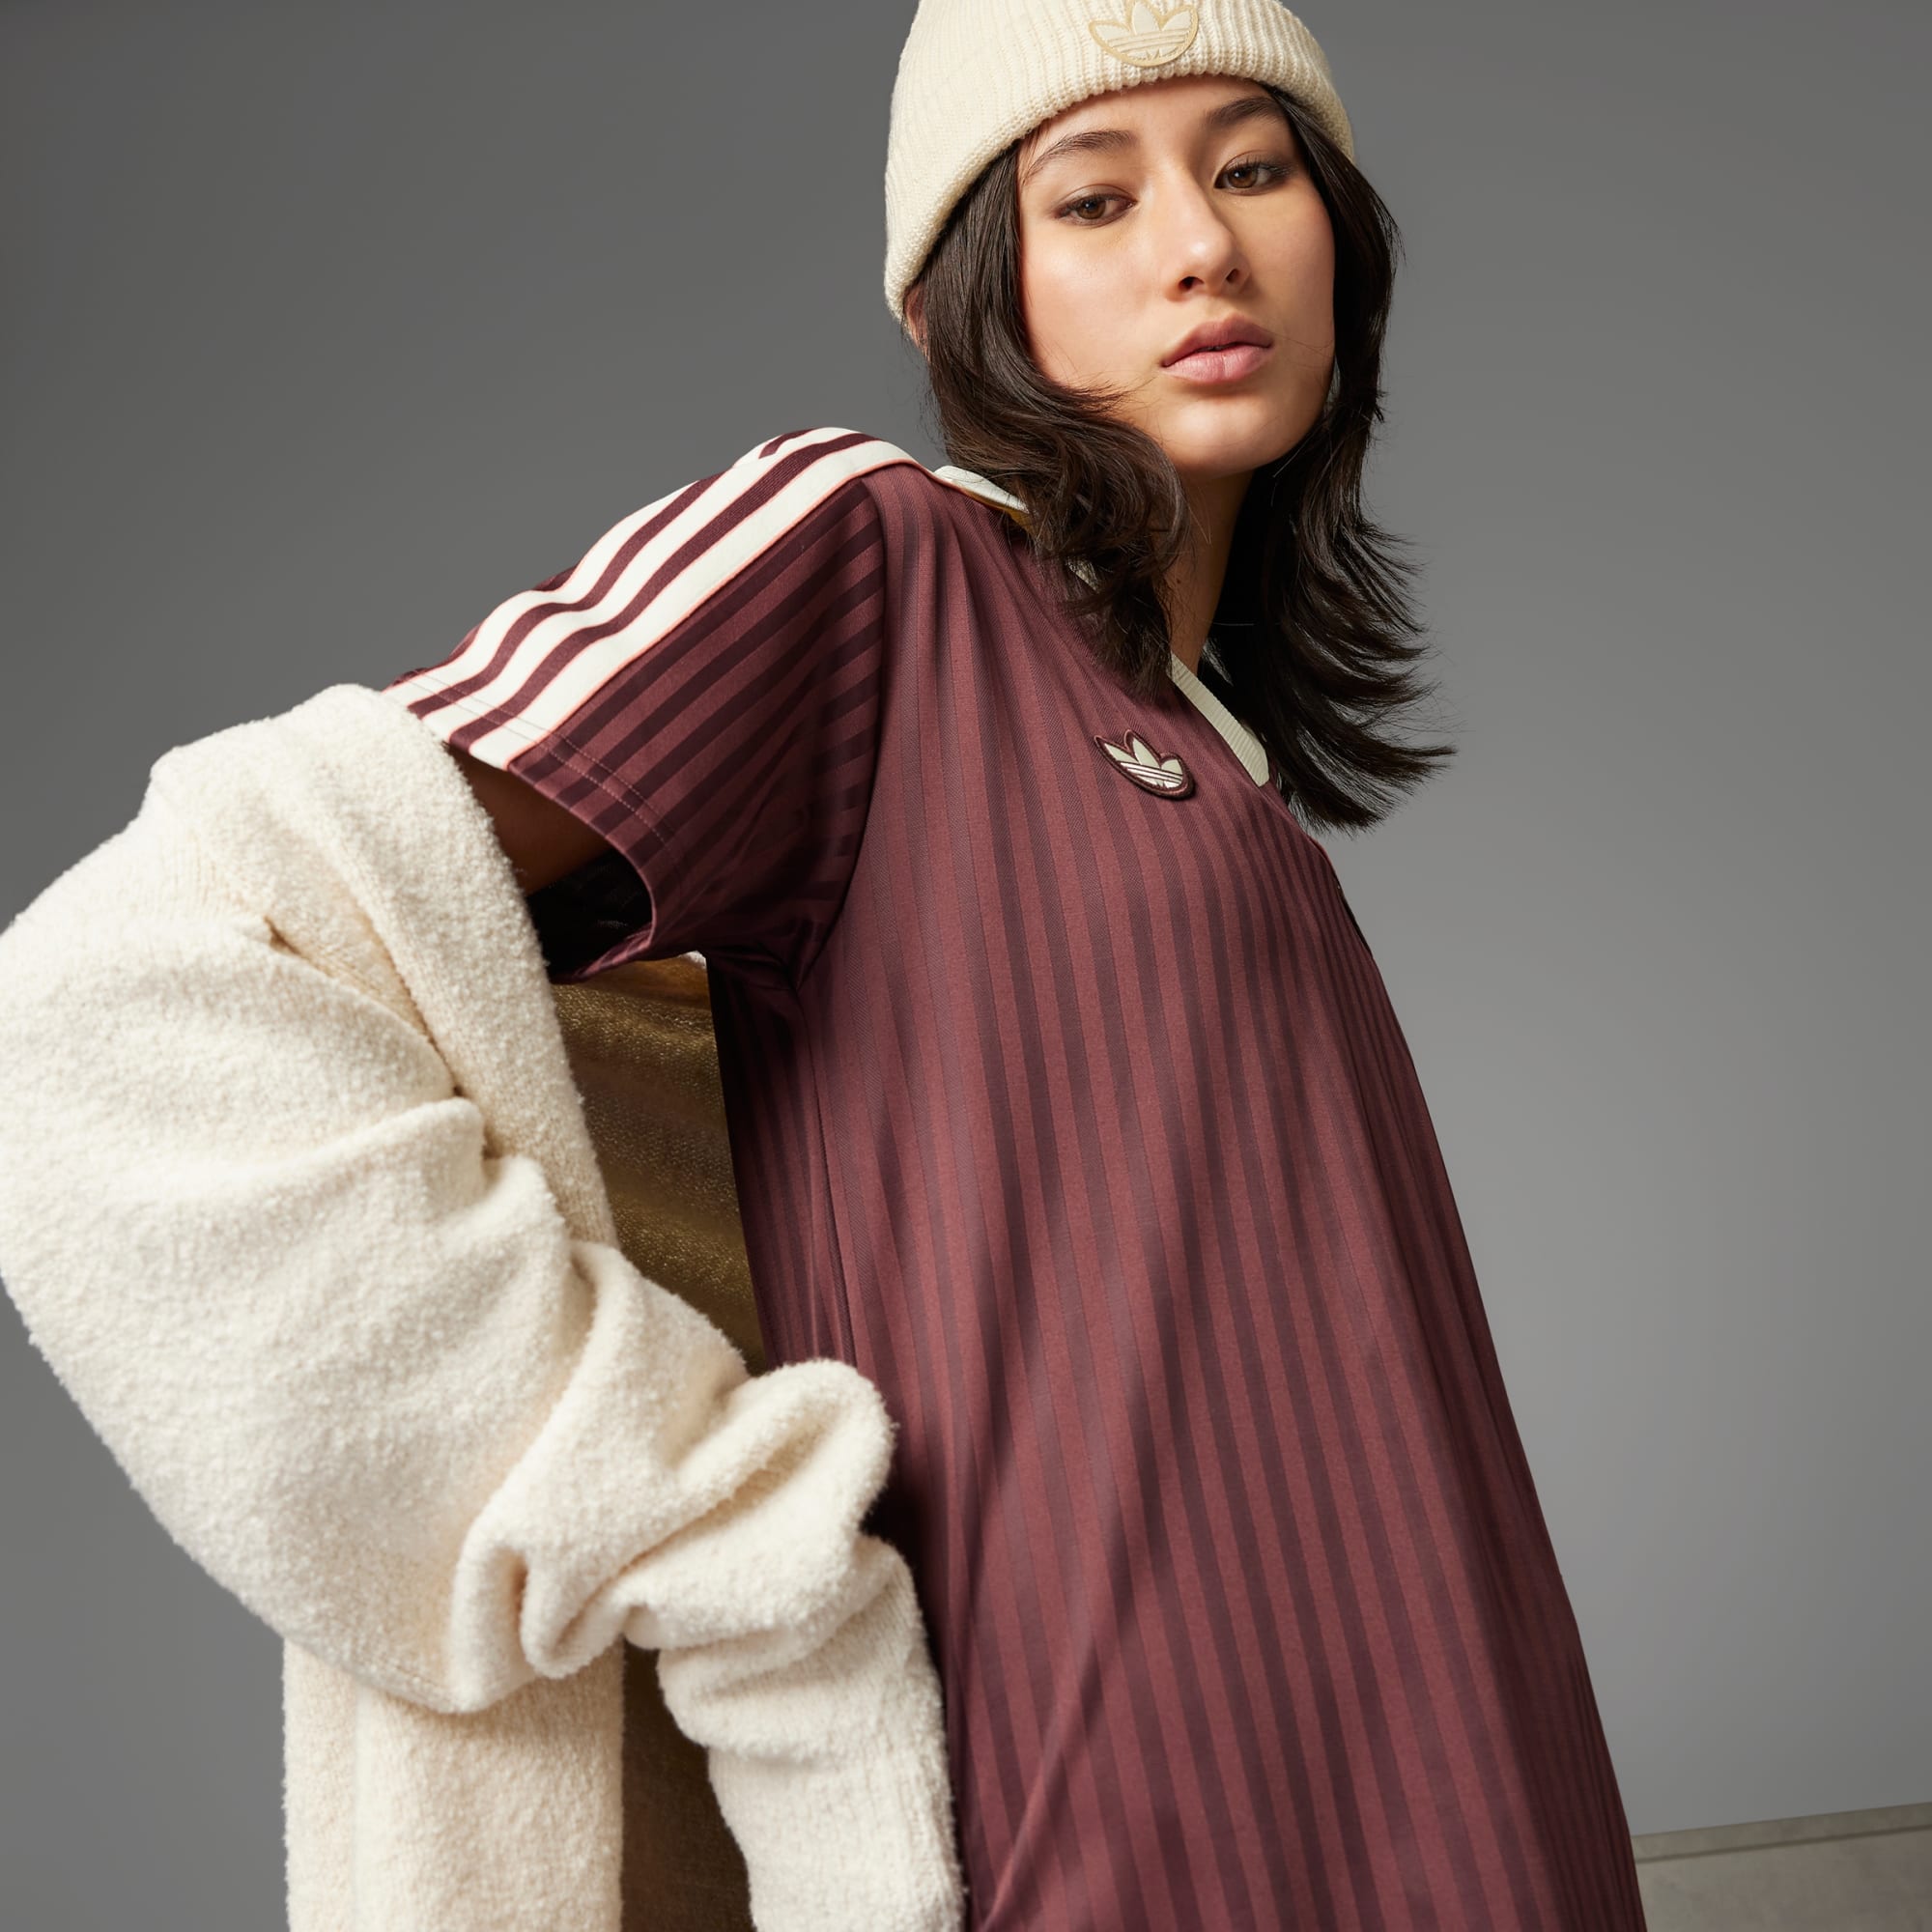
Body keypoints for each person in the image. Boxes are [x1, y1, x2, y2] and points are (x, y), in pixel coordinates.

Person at [0, 4, 1651, 1929]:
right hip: (1095, 1846)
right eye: (1093, 198)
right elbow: (111, 986)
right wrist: (693, 1509)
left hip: (1477, 1813)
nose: (1200, 243)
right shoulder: (875, 559)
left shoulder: (1231, 778)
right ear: (963, 303)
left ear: (1338, 238)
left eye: (1253, 168)